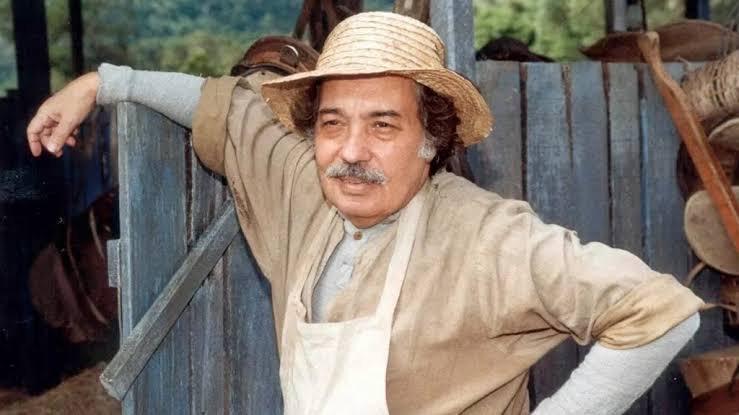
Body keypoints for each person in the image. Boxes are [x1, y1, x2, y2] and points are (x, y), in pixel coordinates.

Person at [27, 11, 703, 415]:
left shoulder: (487, 236)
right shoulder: (305, 188)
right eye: (332, 123)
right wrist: (105, 83)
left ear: (431, 137)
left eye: (383, 124)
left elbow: (658, 313)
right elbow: (227, 109)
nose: (350, 151)